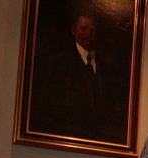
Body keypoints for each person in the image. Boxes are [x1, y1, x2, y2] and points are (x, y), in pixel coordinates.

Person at [31, 10, 127, 143]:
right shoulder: (60, 63)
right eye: (83, 28)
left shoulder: (106, 67)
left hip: (101, 139)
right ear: (73, 30)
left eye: (92, 30)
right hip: (68, 136)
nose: (88, 34)